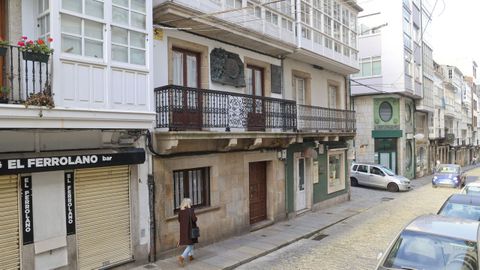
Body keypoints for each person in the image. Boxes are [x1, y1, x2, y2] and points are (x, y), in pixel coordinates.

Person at [177, 198, 198, 267]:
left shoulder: (180, 211)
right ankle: (182, 257)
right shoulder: (190, 210)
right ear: (189, 203)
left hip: (183, 230)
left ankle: (191, 256)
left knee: (190, 243)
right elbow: (194, 219)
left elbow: (179, 220)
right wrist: (191, 211)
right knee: (191, 244)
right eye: (190, 203)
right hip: (190, 230)